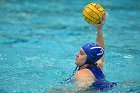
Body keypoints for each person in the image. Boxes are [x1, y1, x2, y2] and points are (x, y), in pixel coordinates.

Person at [74, 14, 117, 91]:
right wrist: (99, 28)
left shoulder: (82, 74)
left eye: (81, 53)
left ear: (89, 58)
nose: (76, 54)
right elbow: (100, 51)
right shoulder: (98, 67)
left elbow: (82, 90)